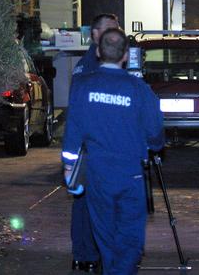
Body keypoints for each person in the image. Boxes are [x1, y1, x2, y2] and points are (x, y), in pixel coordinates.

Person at [62, 28, 165, 275]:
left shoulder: (82, 87)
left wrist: (69, 169)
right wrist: (154, 145)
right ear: (126, 55)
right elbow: (156, 134)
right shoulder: (140, 90)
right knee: (130, 238)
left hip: (98, 176)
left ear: (98, 52)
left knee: (105, 236)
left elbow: (72, 133)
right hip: (132, 176)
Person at [68, 14, 119, 272]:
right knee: (85, 202)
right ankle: (86, 254)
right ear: (96, 35)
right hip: (91, 147)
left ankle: (97, 252)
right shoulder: (87, 67)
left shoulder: (115, 60)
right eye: (111, 29)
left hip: (108, 146)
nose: (116, 33)